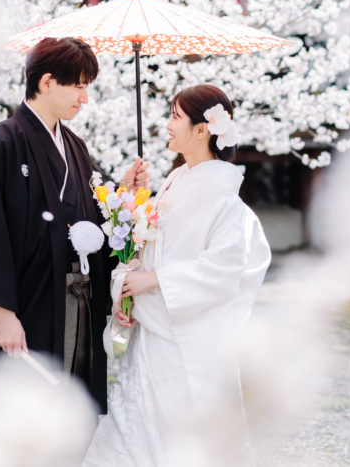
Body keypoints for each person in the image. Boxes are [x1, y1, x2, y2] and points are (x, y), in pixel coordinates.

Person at [0, 37, 149, 413]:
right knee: (26, 418)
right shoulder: (3, 142)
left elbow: (93, 220)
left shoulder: (74, 146)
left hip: (77, 302)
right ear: (46, 82)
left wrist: (124, 191)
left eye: (85, 87)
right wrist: (3, 315)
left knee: (71, 414)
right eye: (78, 85)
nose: (84, 97)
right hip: (27, 304)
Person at [84, 84, 272, 466]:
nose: (167, 125)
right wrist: (128, 292)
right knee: (135, 434)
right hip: (155, 333)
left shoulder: (221, 196)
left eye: (175, 116)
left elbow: (224, 270)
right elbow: (151, 250)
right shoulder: (176, 180)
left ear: (202, 129)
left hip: (188, 343)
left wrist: (152, 281)